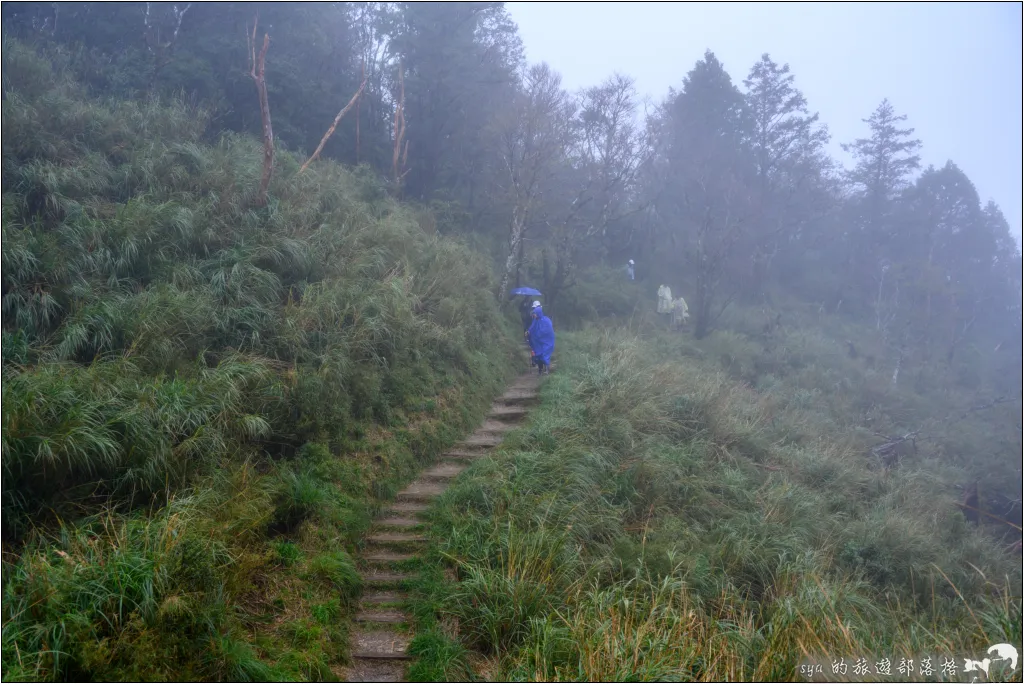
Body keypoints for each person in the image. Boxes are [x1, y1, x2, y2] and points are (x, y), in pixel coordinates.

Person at [526, 301, 555, 375]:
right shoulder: (535, 320)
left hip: (546, 341)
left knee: (545, 354)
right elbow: (532, 327)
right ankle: (540, 369)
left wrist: (538, 334)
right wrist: (528, 332)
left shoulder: (546, 320)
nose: (534, 315)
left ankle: (547, 369)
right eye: (534, 314)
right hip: (538, 342)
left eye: (535, 314)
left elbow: (547, 331)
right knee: (538, 355)